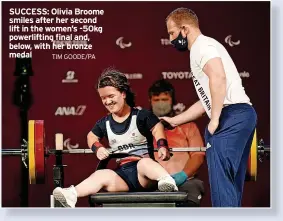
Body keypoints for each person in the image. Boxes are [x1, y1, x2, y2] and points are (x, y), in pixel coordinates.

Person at [161, 8, 257, 207]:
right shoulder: (206, 45)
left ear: (184, 29)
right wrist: (175, 120)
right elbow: (208, 99)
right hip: (240, 114)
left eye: (171, 33)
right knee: (230, 185)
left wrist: (215, 120)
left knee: (222, 184)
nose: (170, 39)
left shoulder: (201, 46)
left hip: (231, 115)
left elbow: (218, 77)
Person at [53, 68, 178, 208]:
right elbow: (91, 136)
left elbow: (157, 127)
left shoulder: (141, 115)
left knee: (144, 163)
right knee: (102, 174)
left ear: (123, 94)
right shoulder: (104, 122)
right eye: (103, 98)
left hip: (144, 174)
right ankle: (71, 194)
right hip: (123, 176)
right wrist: (97, 148)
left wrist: (162, 145)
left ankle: (166, 180)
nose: (107, 101)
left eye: (111, 96)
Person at [148, 79, 205, 207]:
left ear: (172, 101)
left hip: (185, 182)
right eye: (156, 100)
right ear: (150, 101)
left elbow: (198, 155)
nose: (160, 104)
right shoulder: (142, 129)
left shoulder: (188, 126)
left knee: (193, 190)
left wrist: (182, 175)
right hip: (151, 184)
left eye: (164, 100)